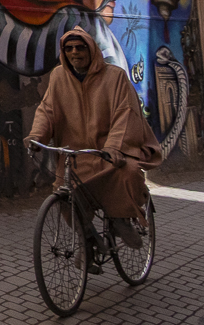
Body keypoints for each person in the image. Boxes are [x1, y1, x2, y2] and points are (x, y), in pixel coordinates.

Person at [27, 28, 161, 252]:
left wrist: (114, 147)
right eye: (69, 48)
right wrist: (36, 137)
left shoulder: (115, 76)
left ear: (91, 50)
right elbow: (47, 111)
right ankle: (87, 239)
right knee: (63, 192)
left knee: (129, 173)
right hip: (77, 156)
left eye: (80, 48)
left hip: (109, 154)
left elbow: (126, 113)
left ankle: (121, 218)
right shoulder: (58, 77)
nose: (74, 52)